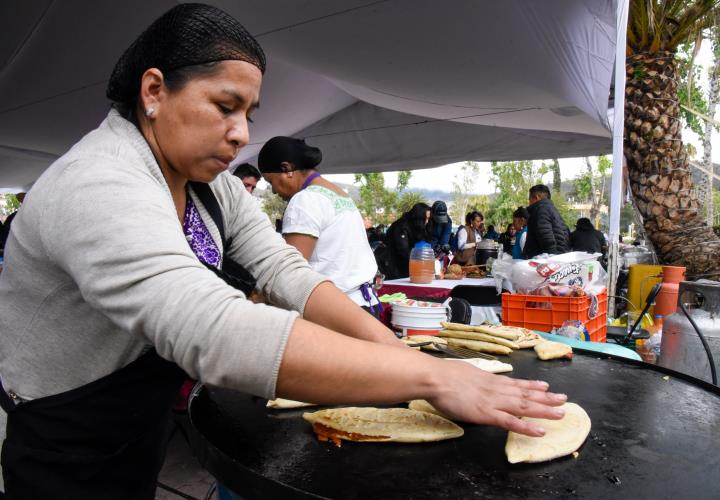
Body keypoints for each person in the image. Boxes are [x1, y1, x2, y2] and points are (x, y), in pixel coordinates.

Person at [0, 5, 565, 497]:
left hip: (133, 420)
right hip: (62, 432)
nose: (242, 133)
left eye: (249, 114)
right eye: (225, 106)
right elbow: (210, 327)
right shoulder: (98, 182)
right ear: (153, 91)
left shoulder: (209, 184)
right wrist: (435, 380)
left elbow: (283, 268)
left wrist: (400, 353)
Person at [258, 136, 381, 316]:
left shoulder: (304, 199)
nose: (274, 191)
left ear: (287, 169)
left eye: (270, 182)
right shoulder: (339, 193)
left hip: (337, 312)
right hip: (363, 304)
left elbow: (291, 271)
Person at [384, 203, 431, 278]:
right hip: (396, 268)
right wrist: (420, 262)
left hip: (408, 267)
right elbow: (403, 250)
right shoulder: (401, 226)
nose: (427, 221)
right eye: (426, 218)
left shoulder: (416, 227)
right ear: (419, 217)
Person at [523, 185, 571, 258]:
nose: (529, 203)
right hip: (560, 256)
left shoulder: (540, 210)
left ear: (536, 197)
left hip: (545, 262)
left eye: (529, 199)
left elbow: (546, 237)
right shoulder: (553, 210)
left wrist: (550, 260)